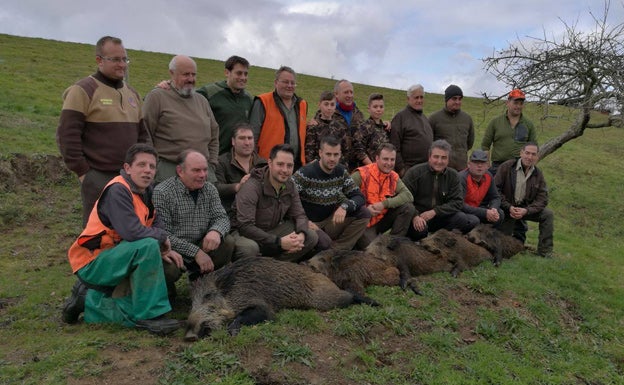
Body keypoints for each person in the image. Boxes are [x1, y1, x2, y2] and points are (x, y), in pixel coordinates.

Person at [62, 143, 182, 335]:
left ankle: (88, 300)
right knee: (148, 245)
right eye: (141, 165)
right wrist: (162, 239)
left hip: (120, 256)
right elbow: (133, 233)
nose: (147, 171)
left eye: (152, 166)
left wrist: (165, 245)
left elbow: (156, 223)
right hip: (92, 262)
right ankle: (151, 316)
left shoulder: (147, 192)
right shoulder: (118, 189)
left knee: (166, 265)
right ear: (127, 168)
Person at [57, 36, 150, 225]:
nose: (122, 64)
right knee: (98, 232)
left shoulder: (132, 93)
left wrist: (144, 164)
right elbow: (67, 135)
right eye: (115, 59)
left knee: (131, 229)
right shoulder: (83, 90)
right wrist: (84, 173)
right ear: (99, 60)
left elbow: (143, 134)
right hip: (98, 176)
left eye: (124, 59)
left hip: (130, 176)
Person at [153, 150, 236, 283]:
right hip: (174, 250)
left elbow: (221, 217)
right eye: (196, 170)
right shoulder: (162, 192)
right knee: (168, 268)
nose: (203, 175)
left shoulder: (210, 189)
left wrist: (216, 231)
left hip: (202, 244)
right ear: (180, 171)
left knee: (227, 242)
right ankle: (166, 292)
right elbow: (164, 235)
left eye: (205, 170)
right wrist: (196, 252)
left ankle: (203, 281)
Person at [232, 144, 318, 261]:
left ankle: (275, 268)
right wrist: (280, 242)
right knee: (249, 248)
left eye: (289, 166)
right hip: (245, 234)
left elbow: (299, 215)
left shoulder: (290, 185)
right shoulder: (252, 187)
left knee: (311, 236)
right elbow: (245, 226)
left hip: (272, 230)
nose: (285, 170)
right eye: (280, 164)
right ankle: (255, 272)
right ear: (270, 163)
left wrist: (301, 235)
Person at [143, 55, 219, 183]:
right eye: (186, 74)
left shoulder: (202, 101)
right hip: (169, 173)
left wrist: (212, 164)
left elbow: (214, 135)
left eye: (193, 75)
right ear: (172, 73)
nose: (191, 79)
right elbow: (145, 133)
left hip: (203, 174)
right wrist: (153, 165)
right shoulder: (157, 97)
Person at [292, 136, 370, 251]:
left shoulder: (341, 171)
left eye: (336, 155)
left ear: (340, 154)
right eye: (328, 154)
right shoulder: (306, 173)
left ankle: (338, 251)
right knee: (324, 243)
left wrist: (344, 207)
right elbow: (287, 197)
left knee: (364, 212)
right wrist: (303, 221)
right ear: (320, 153)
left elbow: (359, 197)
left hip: (328, 221)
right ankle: (323, 253)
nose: (332, 159)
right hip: (308, 223)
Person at [402, 140, 479, 241]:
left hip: (441, 216)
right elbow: (403, 198)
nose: (439, 161)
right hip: (419, 217)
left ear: (448, 160)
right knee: (419, 230)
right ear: (429, 157)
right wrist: (415, 216)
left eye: (444, 158)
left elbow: (457, 202)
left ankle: (441, 239)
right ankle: (421, 240)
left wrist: (435, 212)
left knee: (470, 220)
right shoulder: (415, 172)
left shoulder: (453, 175)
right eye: (436, 157)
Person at [214, 123, 267, 260]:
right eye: (242, 138)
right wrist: (237, 187)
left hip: (260, 219)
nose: (247, 142)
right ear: (233, 141)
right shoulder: (221, 162)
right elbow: (214, 188)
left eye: (250, 138)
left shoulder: (263, 164)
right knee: (251, 248)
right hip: (232, 222)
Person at [494, 143, 554, 257]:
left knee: (548, 214)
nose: (529, 157)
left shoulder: (538, 174)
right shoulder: (507, 167)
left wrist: (526, 211)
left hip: (524, 210)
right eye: (527, 153)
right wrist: (509, 207)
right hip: (506, 210)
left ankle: (545, 253)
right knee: (503, 248)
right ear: (521, 153)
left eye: (533, 154)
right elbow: (495, 190)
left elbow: (543, 199)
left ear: (537, 157)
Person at [351, 143, 415, 248]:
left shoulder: (393, 176)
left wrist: (384, 204)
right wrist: (365, 210)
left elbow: (408, 196)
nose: (389, 163)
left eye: (392, 160)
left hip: (381, 219)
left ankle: (393, 244)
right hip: (363, 222)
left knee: (408, 208)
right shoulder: (361, 174)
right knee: (376, 251)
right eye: (385, 159)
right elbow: (344, 199)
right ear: (377, 158)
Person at [249, 66, 307, 168]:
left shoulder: (302, 104)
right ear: (276, 83)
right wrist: (255, 162)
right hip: (267, 165)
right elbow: (252, 135)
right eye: (285, 82)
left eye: (292, 83)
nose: (290, 86)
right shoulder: (263, 102)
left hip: (294, 166)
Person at [196, 55, 254, 155]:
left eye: (246, 74)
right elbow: (184, 98)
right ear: (227, 72)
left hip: (237, 159)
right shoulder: (209, 93)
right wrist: (168, 85)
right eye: (239, 73)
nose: (243, 78)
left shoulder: (248, 98)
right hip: (213, 156)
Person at [481, 88, 537, 175]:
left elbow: (534, 148)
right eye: (515, 103)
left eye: (521, 104)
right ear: (507, 103)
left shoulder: (528, 125)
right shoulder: (495, 122)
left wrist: (530, 167)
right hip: (498, 167)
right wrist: (487, 164)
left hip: (520, 167)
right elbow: (485, 146)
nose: (518, 106)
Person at [390, 84, 433, 176]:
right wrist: (401, 170)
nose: (419, 100)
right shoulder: (400, 117)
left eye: (421, 97)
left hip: (426, 170)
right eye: (416, 97)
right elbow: (394, 146)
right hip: (409, 171)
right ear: (408, 99)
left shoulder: (425, 118)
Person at [429, 84, 475, 171]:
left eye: (460, 99)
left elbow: (469, 143)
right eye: (454, 98)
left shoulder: (467, 119)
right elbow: (428, 143)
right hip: (440, 168)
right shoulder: (434, 118)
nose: (457, 102)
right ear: (447, 100)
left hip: (461, 168)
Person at [458, 150, 504, 227]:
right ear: (469, 164)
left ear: (487, 166)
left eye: (483, 163)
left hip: (477, 209)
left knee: (499, 214)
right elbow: (460, 205)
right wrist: (485, 212)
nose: (479, 166)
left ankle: (487, 237)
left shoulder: (489, 176)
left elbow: (495, 197)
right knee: (474, 220)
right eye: (476, 162)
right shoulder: (461, 178)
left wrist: (493, 209)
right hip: (461, 212)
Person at [304, 91, 348, 167]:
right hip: (317, 169)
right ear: (319, 105)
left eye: (332, 104)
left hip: (336, 168)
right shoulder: (313, 127)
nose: (329, 108)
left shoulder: (340, 128)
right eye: (326, 104)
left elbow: (345, 151)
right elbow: (308, 154)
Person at [331, 79, 366, 168]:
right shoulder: (328, 112)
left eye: (351, 92)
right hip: (335, 166)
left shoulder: (359, 114)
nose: (349, 95)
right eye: (346, 92)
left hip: (357, 167)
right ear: (336, 94)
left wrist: (384, 124)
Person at [351, 93, 391, 167]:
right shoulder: (364, 127)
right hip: (368, 170)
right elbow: (358, 149)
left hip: (384, 169)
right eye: (375, 107)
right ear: (369, 109)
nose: (378, 109)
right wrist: (372, 166)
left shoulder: (385, 128)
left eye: (381, 107)